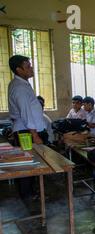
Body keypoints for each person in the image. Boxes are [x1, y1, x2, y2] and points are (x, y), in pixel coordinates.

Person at [8, 55, 47, 198]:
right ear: (19, 69)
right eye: (28, 66)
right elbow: (25, 113)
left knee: (31, 162)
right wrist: (35, 135)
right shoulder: (19, 87)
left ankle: (30, 192)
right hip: (27, 132)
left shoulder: (22, 84)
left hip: (26, 130)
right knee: (27, 162)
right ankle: (28, 194)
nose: (31, 68)